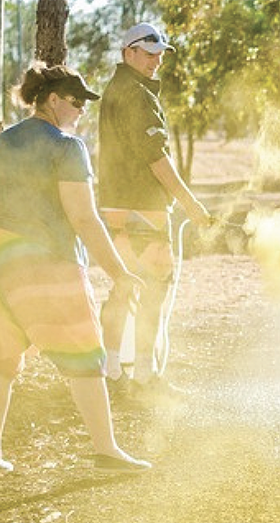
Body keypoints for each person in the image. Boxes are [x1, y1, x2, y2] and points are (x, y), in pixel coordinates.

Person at [0, 63, 151, 473]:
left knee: (3, 361)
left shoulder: (3, 142)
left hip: (4, 267)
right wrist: (119, 272)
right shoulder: (67, 148)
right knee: (86, 358)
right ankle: (107, 451)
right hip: (50, 267)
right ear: (51, 100)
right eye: (75, 101)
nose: (82, 109)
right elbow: (84, 219)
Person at [98, 22, 212, 399]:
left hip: (117, 203)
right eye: (149, 54)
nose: (156, 61)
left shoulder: (118, 89)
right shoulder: (136, 94)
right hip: (142, 208)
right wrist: (189, 203)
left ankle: (114, 371)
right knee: (153, 289)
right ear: (128, 53)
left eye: (160, 54)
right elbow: (155, 158)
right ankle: (142, 375)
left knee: (123, 286)